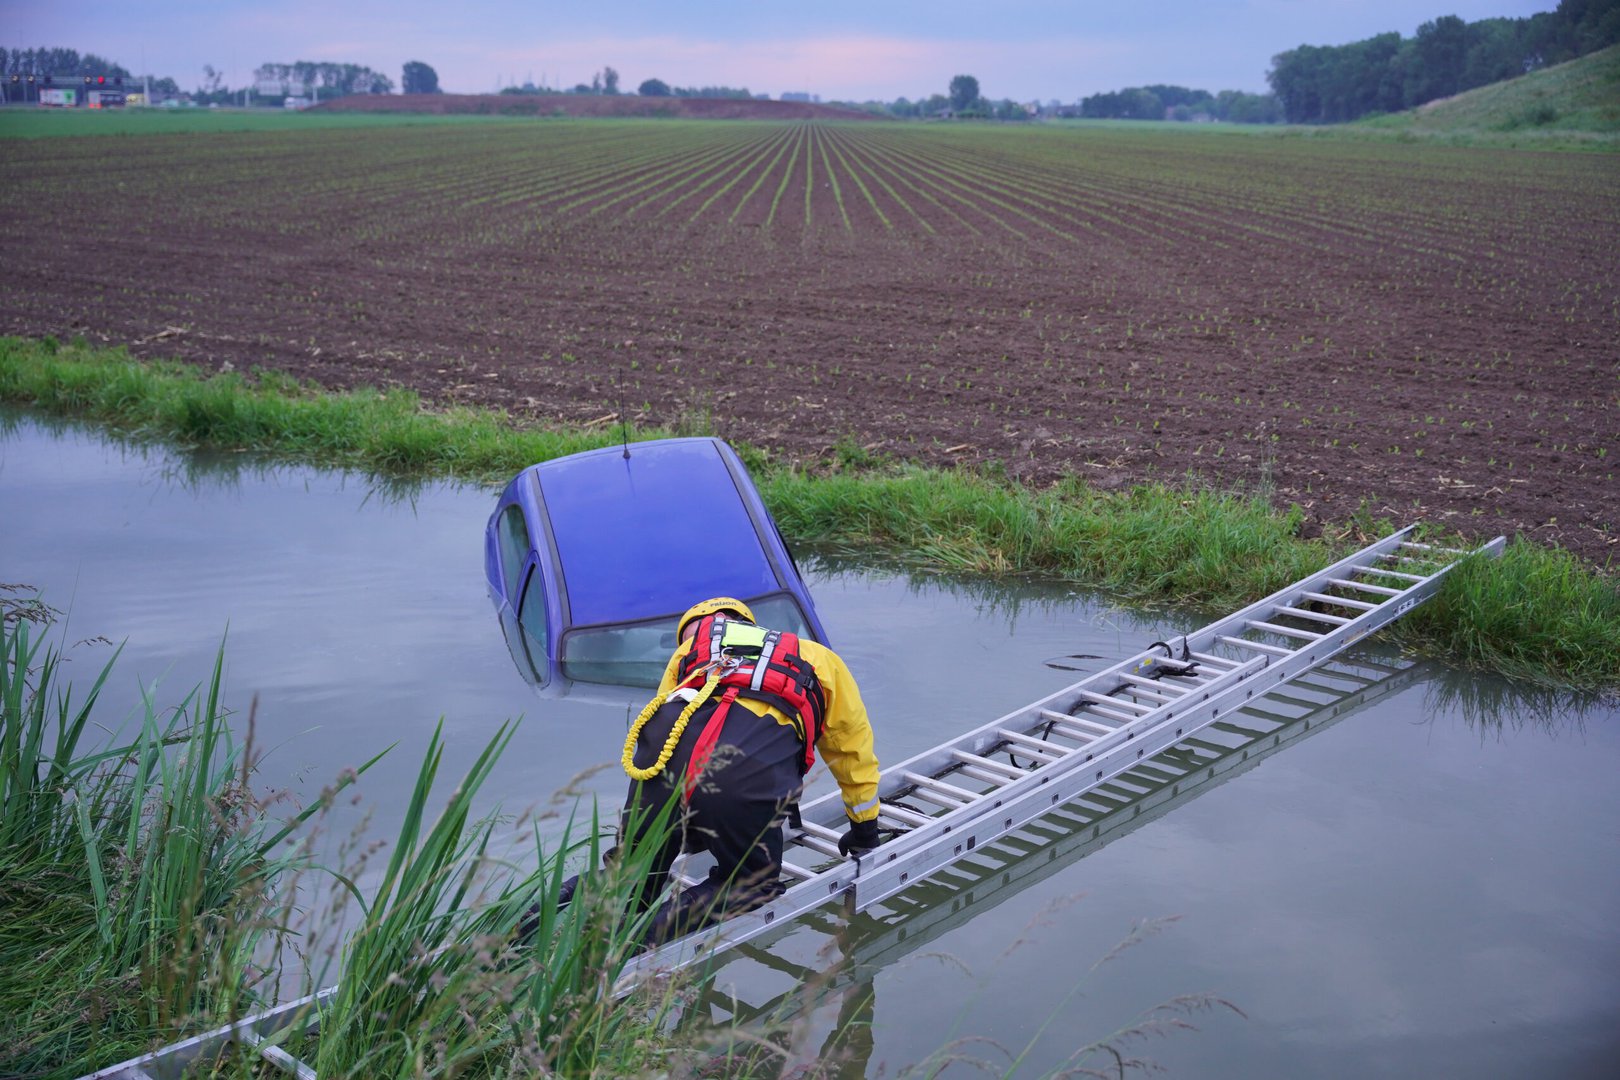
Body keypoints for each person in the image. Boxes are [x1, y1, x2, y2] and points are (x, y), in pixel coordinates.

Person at [618, 596, 882, 946]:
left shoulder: (686, 655)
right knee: (752, 884)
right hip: (745, 776)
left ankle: (531, 927)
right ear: (750, 625)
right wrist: (864, 828)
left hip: (656, 772)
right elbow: (852, 752)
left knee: (627, 876)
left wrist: (683, 820)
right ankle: (646, 937)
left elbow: (667, 726)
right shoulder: (819, 659)